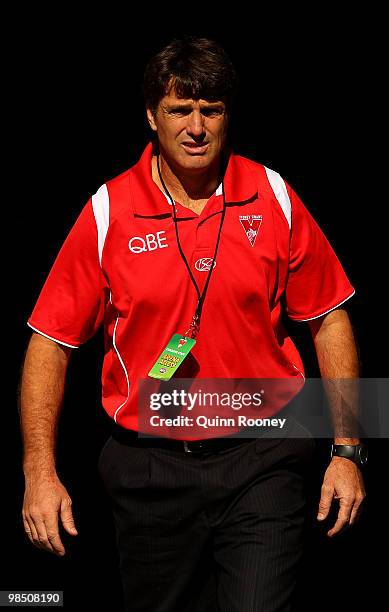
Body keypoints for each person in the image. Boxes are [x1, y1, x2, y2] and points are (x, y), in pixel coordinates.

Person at [20, 37, 366, 611]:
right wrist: (39, 473)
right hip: (148, 467)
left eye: (211, 110)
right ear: (152, 117)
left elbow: (330, 318)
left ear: (228, 115)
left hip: (265, 455)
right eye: (181, 109)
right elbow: (49, 344)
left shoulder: (273, 194)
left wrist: (349, 449)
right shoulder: (109, 210)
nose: (197, 126)